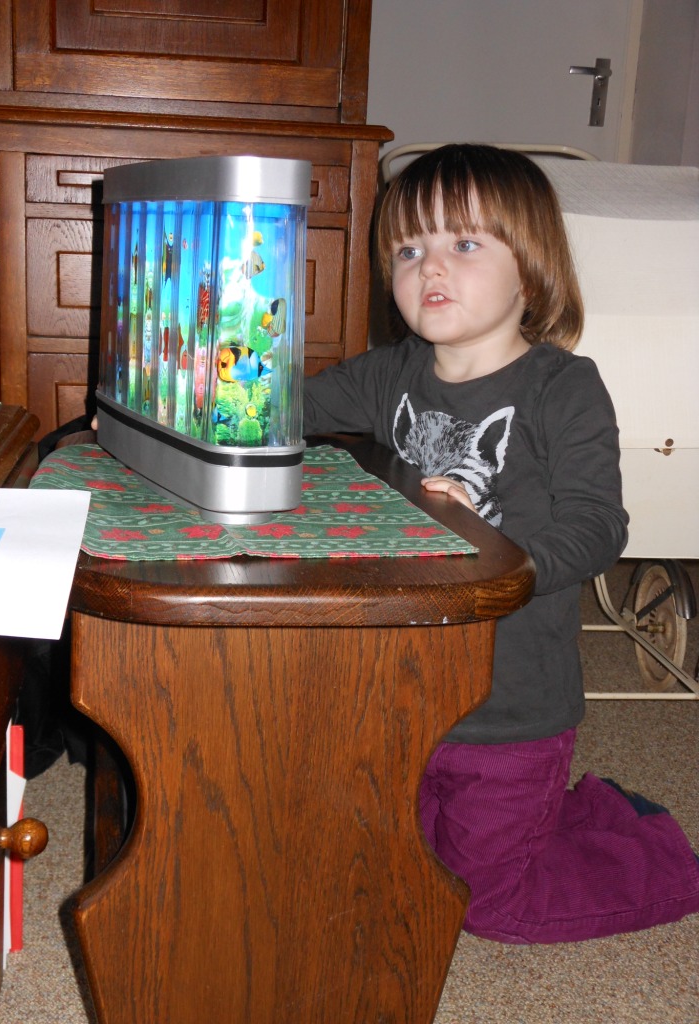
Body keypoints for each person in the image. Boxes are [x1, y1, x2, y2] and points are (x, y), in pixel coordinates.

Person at [303, 143, 699, 944]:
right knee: (381, 861)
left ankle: (665, 859)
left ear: (531, 269)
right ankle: (580, 811)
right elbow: (281, 406)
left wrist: (494, 548)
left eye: (464, 243)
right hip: (403, 695)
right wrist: (200, 388)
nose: (429, 266)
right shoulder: (390, 374)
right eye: (408, 249)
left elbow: (597, 526)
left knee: (487, 904)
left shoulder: (563, 388)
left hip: (511, 711)